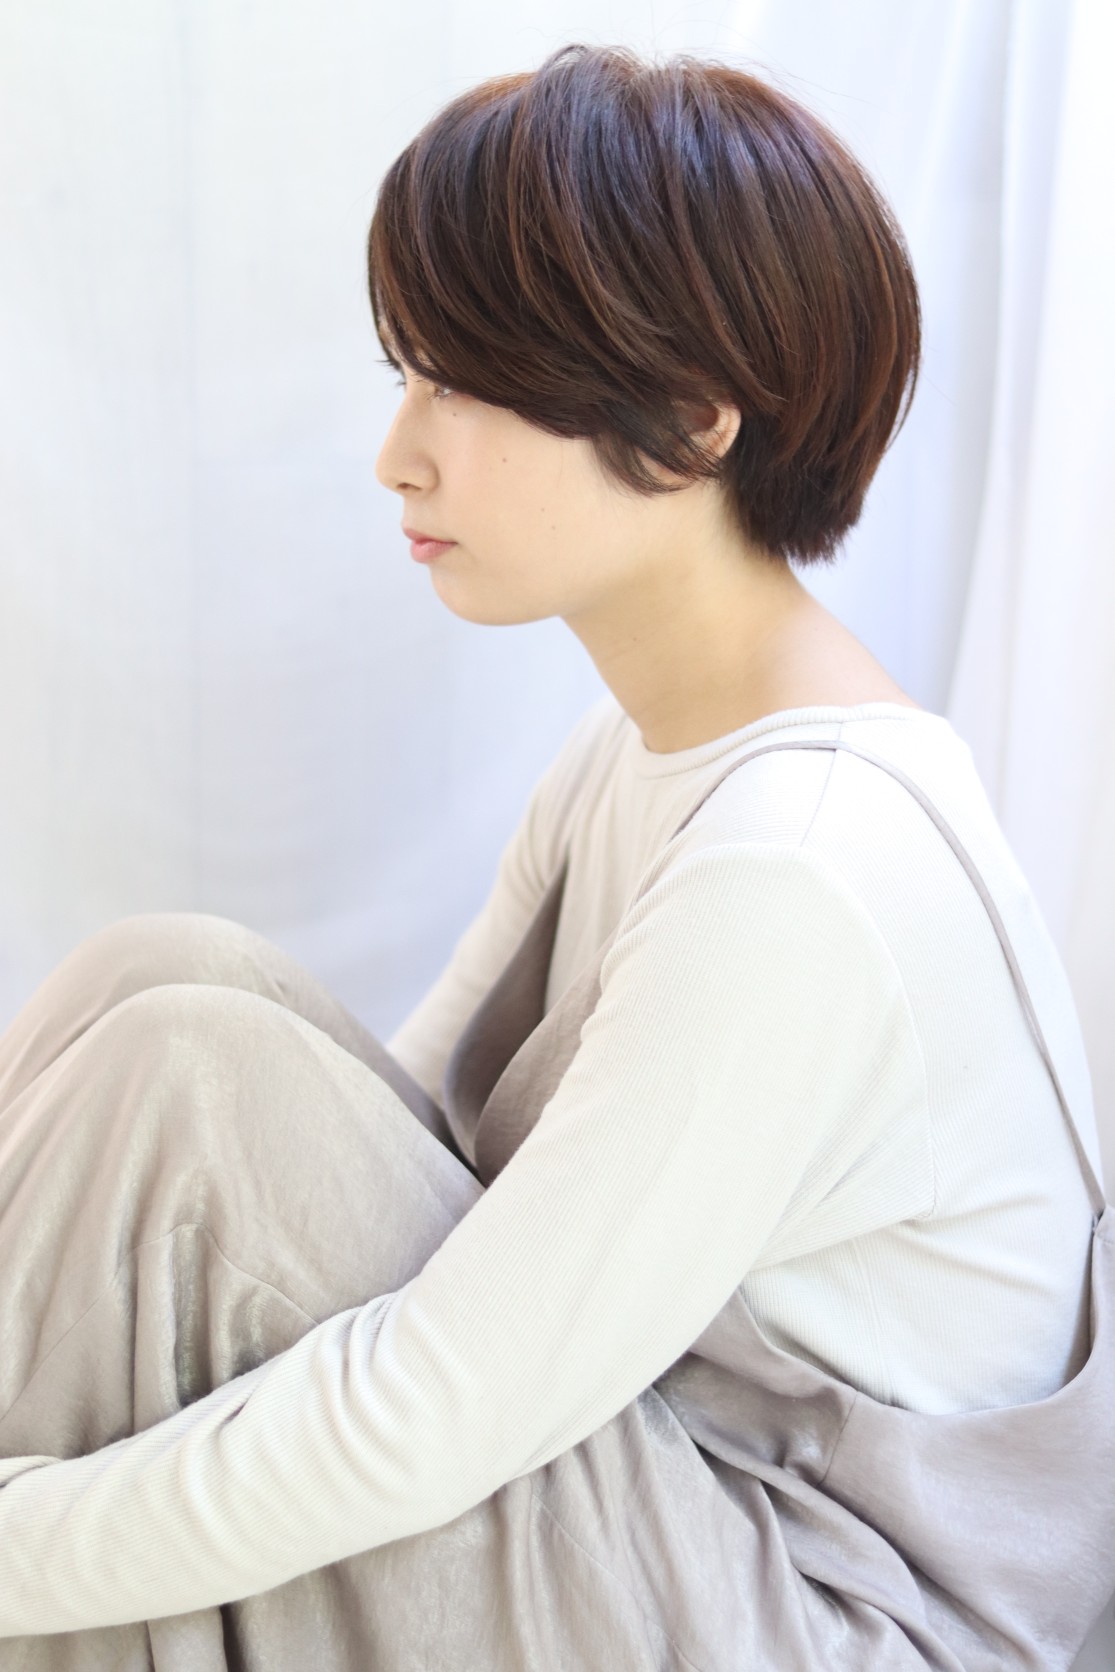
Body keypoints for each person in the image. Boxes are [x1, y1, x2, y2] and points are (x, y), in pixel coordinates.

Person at [0, 38, 1110, 1671]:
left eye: (465, 381)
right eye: (411, 372)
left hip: (829, 1615)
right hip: (669, 1503)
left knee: (192, 1080)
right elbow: (381, 1160)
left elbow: (431, 1403)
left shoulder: (801, 872)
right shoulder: (638, 755)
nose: (401, 452)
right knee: (163, 985)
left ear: (693, 420)